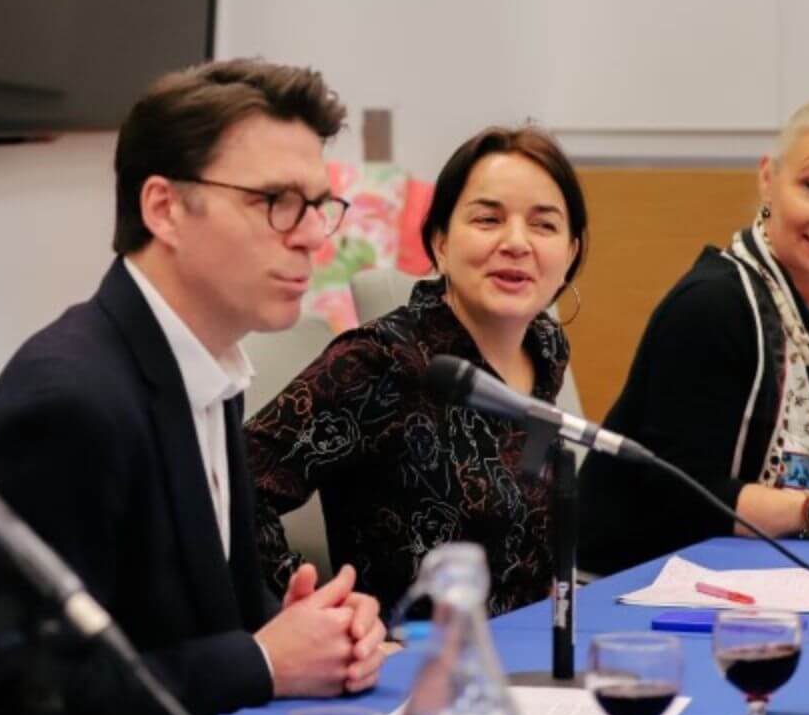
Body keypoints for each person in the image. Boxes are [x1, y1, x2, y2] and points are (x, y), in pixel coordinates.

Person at [0, 58, 387, 715]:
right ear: (164, 208)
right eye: (275, 201)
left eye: (317, 206)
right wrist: (265, 660)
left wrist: (303, 629)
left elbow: (202, 623)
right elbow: (17, 705)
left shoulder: (207, 365)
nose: (312, 239)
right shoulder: (67, 403)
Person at [580, 94, 809, 576]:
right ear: (768, 179)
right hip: (635, 578)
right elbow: (686, 498)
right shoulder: (712, 306)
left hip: (745, 564)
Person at [247, 125, 588, 615]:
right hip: (414, 668)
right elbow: (236, 485)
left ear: (570, 252)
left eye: (544, 225)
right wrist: (322, 613)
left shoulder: (546, 348)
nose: (517, 243)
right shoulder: (382, 362)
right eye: (488, 219)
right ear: (441, 242)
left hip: (535, 656)